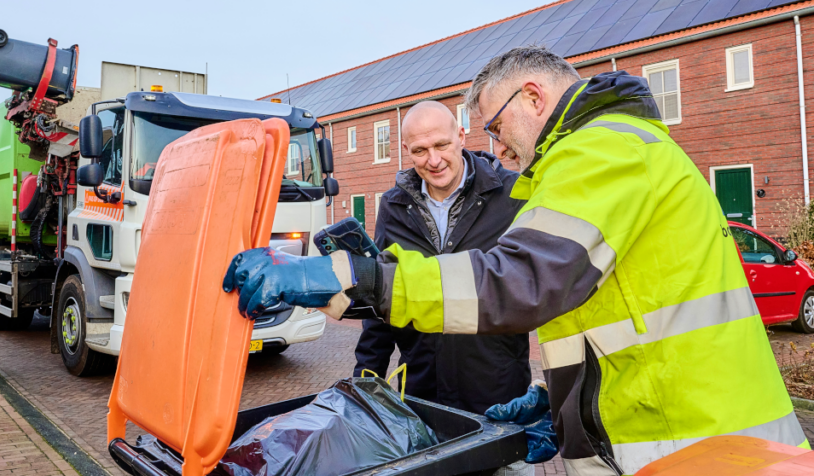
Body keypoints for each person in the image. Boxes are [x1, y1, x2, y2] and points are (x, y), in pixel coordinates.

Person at [225, 45, 807, 475]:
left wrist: (352, 275)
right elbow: (616, 307)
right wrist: (562, 403)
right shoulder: (612, 152)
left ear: (533, 96)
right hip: (678, 432)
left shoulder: (602, 150)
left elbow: (519, 280)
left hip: (700, 444)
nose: (497, 146)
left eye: (497, 126)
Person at [355, 100, 533, 476]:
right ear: (406, 150)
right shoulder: (393, 206)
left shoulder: (512, 195)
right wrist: (364, 385)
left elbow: (539, 286)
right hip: (423, 403)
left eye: (441, 145)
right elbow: (381, 301)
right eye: (420, 150)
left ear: (461, 137)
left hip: (498, 400)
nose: (433, 160)